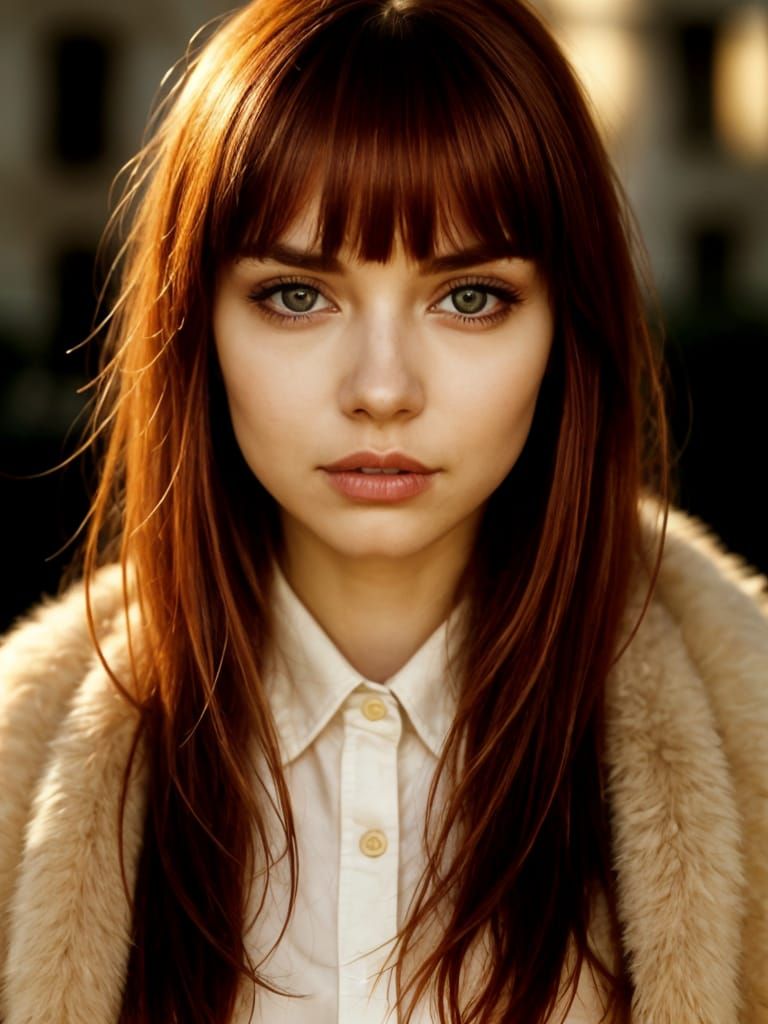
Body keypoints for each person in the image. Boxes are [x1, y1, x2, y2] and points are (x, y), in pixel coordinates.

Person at [1, 0, 766, 1022]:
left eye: (470, 297)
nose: (382, 389)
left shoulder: (752, 739)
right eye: (296, 295)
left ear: (567, 329)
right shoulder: (17, 770)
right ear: (195, 326)